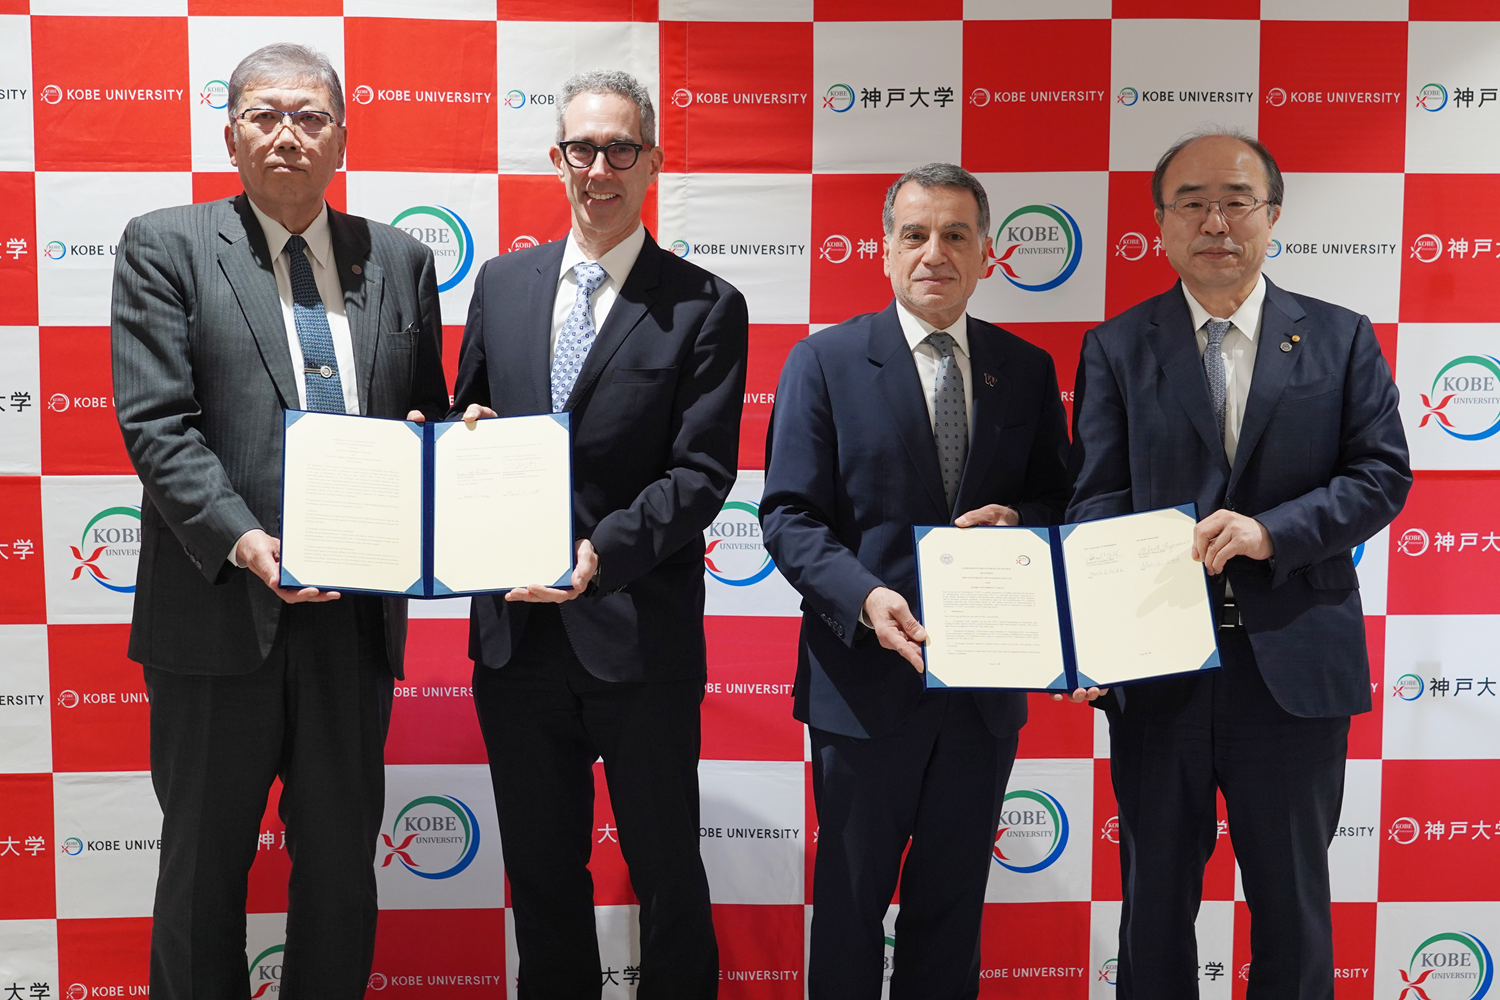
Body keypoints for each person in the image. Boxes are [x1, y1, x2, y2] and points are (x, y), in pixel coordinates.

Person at [111, 43, 447, 1000]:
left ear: (343, 134)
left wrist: (448, 449)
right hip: (218, 614)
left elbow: (417, 415)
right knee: (201, 873)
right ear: (230, 134)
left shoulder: (400, 258)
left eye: (309, 115)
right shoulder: (165, 243)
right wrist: (242, 538)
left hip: (352, 618)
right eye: (264, 114)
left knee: (342, 874)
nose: (287, 133)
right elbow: (156, 424)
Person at [1068, 129, 1410, 1000]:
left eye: (1235, 200)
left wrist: (1271, 533)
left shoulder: (1341, 338)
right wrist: (1099, 635)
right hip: (1158, 672)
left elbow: (1381, 476)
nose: (1215, 220)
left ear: (1273, 216)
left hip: (1293, 666)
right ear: (1159, 222)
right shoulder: (1116, 346)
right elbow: (1097, 500)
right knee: (1153, 904)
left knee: (1292, 906)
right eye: (1191, 202)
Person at [450, 69, 747, 998]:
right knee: (541, 877)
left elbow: (701, 476)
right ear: (557, 160)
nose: (600, 167)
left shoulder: (704, 303)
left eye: (622, 148)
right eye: (582, 148)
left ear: (653, 161)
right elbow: (470, 421)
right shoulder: (501, 283)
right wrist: (454, 447)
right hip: (516, 640)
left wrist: (598, 557)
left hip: (638, 639)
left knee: (667, 876)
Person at [760, 163, 1071, 1000]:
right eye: (916, 234)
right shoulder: (822, 362)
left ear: (989, 255)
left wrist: (1024, 524)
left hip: (982, 688)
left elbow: (1059, 498)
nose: (935, 252)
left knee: (952, 905)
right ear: (885, 251)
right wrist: (863, 596)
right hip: (862, 683)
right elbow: (788, 514)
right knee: (851, 906)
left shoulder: (1027, 367)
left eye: (956, 235)